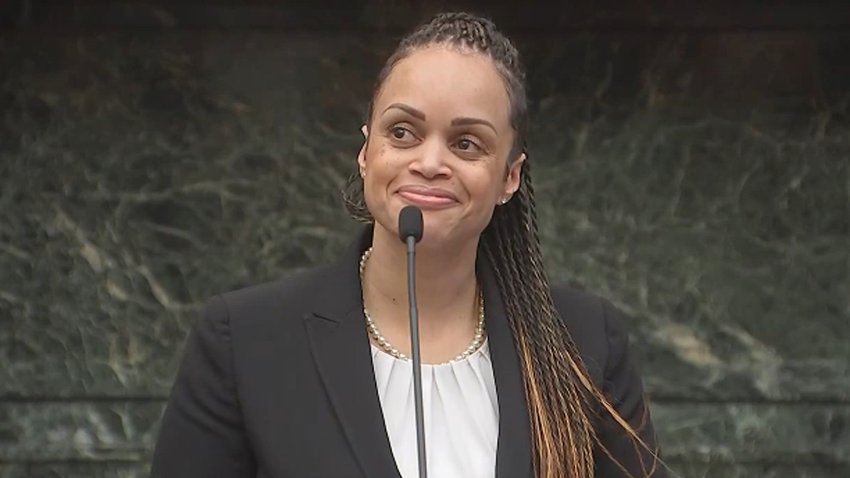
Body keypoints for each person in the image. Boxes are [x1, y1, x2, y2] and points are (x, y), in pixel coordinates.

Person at [150, 11, 666, 478]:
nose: (429, 162)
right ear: (366, 151)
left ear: (510, 176)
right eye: (402, 132)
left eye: (466, 143)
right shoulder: (246, 341)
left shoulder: (584, 342)